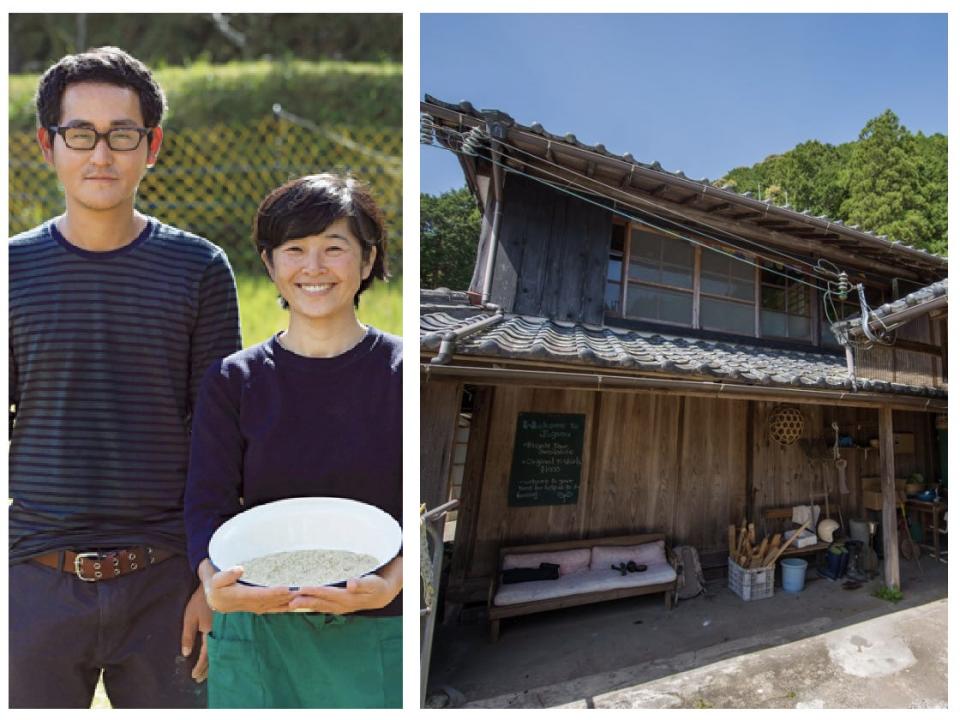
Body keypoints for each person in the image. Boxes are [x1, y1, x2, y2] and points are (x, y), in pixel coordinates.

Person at [8, 47, 241, 708]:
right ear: (47, 145)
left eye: (123, 135)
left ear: (152, 145)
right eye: (80, 134)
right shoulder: (12, 271)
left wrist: (211, 576)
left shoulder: (199, 270)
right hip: (35, 581)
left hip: (167, 582)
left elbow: (223, 441)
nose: (101, 154)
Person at [183, 173, 402, 709]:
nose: (313, 268)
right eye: (294, 250)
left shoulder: (401, 372)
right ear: (270, 263)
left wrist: (395, 580)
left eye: (334, 248)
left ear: (368, 261)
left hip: (375, 628)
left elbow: (416, 506)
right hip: (259, 628)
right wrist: (212, 581)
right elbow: (206, 505)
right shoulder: (233, 381)